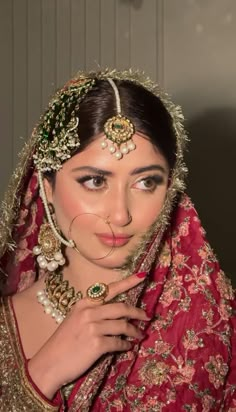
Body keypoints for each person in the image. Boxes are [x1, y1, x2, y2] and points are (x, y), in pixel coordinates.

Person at [0, 69, 235, 412]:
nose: (121, 214)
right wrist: (43, 373)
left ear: (171, 188)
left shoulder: (214, 327)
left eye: (146, 183)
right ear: (47, 187)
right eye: (95, 181)